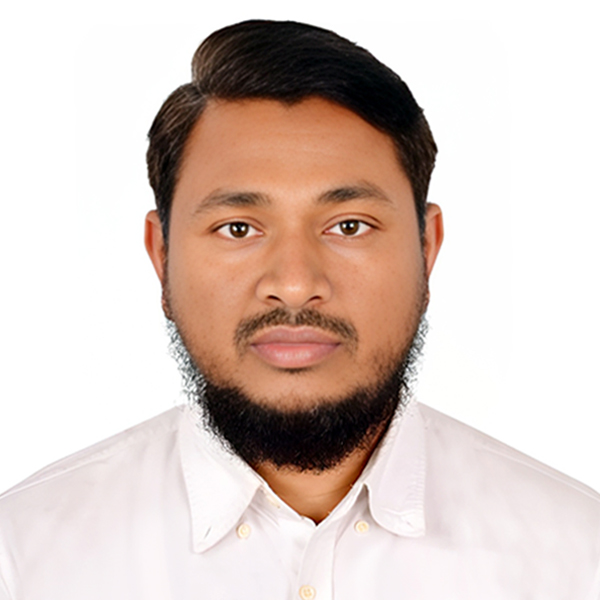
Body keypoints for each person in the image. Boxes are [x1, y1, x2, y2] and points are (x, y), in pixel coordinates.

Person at [0, 19, 598, 600]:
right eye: (238, 228)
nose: (293, 285)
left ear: (426, 248)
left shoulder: (580, 558)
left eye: (349, 225)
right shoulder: (22, 559)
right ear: (162, 255)